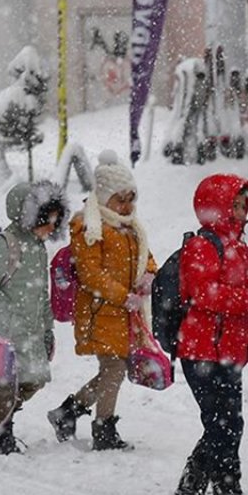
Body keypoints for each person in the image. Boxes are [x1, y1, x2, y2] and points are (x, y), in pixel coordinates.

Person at [172, 174, 248, 495]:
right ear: (215, 207)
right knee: (224, 423)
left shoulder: (239, 246)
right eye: (233, 204)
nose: (240, 211)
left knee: (225, 421)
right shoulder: (201, 245)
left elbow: (245, 285)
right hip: (202, 349)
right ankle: (226, 491)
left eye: (242, 204)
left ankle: (192, 486)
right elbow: (204, 293)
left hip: (228, 349)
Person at [47, 151, 157, 451]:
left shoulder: (131, 226)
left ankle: (68, 412)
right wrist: (124, 297)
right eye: (120, 199)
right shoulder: (87, 227)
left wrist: (149, 274)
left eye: (131, 198)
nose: (126, 205)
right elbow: (90, 274)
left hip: (125, 314)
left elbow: (146, 257)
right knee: (114, 370)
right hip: (99, 312)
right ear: (104, 197)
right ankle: (103, 429)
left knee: (113, 370)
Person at [0, 180, 68, 455]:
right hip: (5, 331)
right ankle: (1, 433)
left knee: (34, 380)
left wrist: (48, 330)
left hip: (31, 332)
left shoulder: (38, 248)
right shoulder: (4, 245)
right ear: (30, 216)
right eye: (47, 221)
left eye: (55, 222)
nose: (51, 228)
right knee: (7, 384)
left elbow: (41, 294)